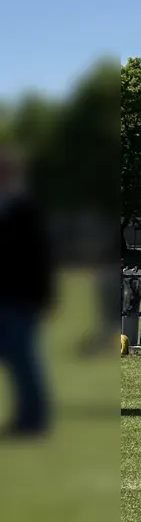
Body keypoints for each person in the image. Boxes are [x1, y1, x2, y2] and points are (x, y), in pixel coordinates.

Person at [0, 144, 53, 436]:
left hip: (17, 299)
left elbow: (40, 257)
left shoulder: (25, 210)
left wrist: (43, 296)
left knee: (23, 360)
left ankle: (32, 419)